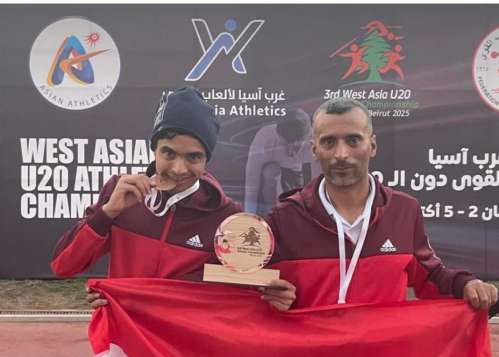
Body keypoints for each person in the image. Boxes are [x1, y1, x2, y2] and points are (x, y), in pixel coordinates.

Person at [50, 86, 295, 311]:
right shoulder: (120, 193)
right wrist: (108, 213)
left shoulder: (227, 217)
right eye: (168, 153)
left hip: (182, 342)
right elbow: (64, 266)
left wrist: (276, 295)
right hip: (124, 338)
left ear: (206, 159)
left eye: (193, 157)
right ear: (154, 150)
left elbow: (243, 292)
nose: (179, 169)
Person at [266, 98, 498, 311]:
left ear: (372, 145)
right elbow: (259, 289)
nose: (341, 154)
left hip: (384, 345)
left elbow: (430, 277)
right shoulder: (285, 217)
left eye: (353, 140)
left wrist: (465, 284)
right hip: (313, 344)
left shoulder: (404, 210)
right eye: (329, 142)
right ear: (314, 150)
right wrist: (270, 296)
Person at [244, 108, 319, 216]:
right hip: (274, 174)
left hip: (300, 176)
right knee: (270, 172)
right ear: (278, 135)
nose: (291, 152)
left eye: (296, 147)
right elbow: (252, 182)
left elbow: (318, 183)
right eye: (285, 144)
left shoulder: (315, 141)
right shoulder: (264, 138)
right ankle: (272, 213)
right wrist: (249, 215)